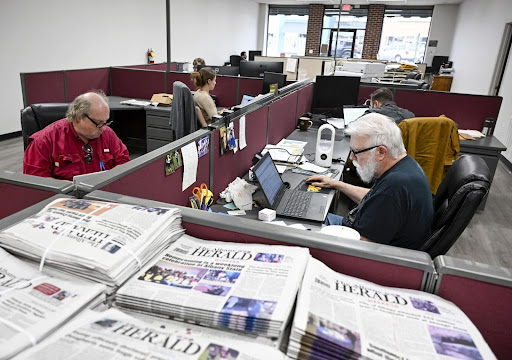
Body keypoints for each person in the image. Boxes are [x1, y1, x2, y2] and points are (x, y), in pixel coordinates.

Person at [307, 113, 433, 250]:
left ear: (381, 152)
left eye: (356, 152)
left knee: (304, 224)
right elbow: (374, 197)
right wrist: (336, 184)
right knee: (311, 215)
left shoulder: (394, 188)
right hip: (359, 229)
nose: (351, 158)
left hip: (368, 251)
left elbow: (365, 248)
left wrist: (315, 234)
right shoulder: (405, 166)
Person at [23, 91, 130, 181]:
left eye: (106, 122)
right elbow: (36, 181)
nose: (103, 128)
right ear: (79, 117)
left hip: (103, 194)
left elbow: (124, 162)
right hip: (64, 198)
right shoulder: (43, 141)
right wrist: (73, 188)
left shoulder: (108, 134)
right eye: (98, 123)